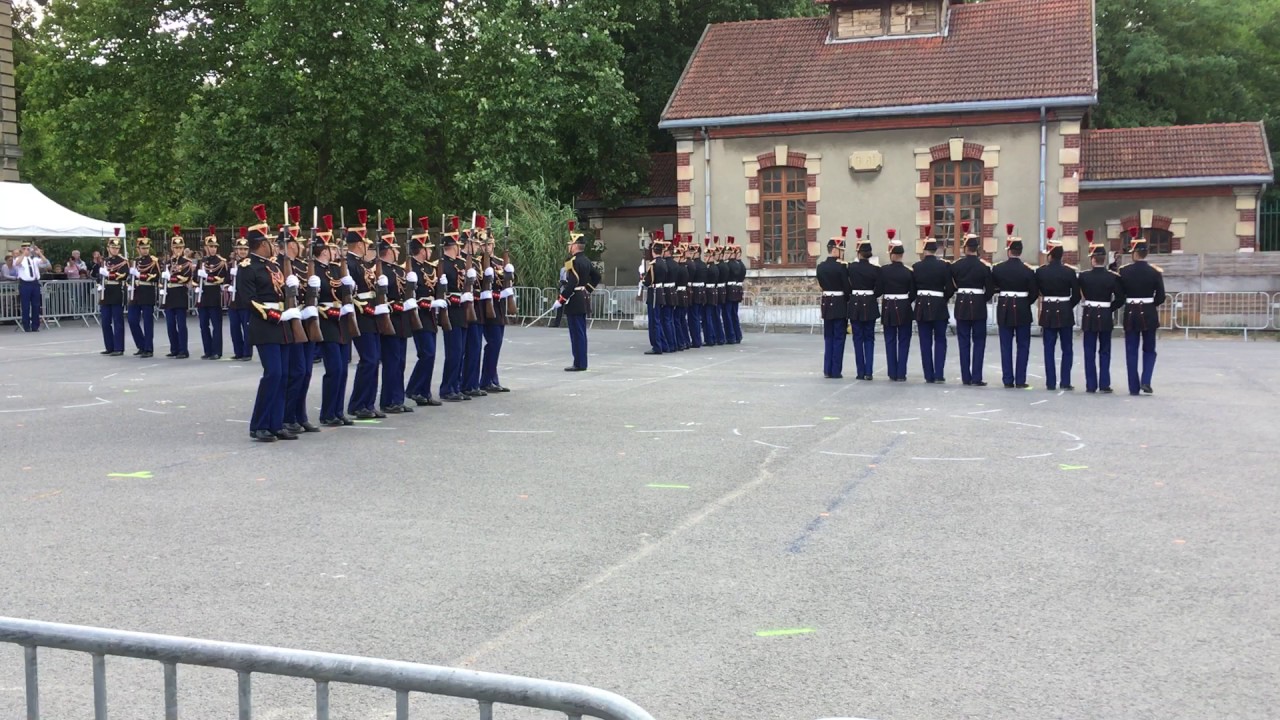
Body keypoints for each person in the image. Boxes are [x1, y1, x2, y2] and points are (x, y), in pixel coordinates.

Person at [241, 205, 294, 442]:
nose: (274, 244)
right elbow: (248, 300)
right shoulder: (247, 267)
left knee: (283, 375)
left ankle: (276, 423)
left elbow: (281, 293)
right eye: (271, 240)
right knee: (272, 374)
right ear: (262, 243)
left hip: (282, 324)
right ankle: (259, 424)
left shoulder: (273, 265)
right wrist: (273, 315)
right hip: (265, 325)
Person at [280, 211, 320, 433]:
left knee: (305, 372)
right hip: (290, 323)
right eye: (299, 242)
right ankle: (287, 416)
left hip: (307, 321)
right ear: (291, 245)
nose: (303, 245)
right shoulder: (281, 265)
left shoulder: (305, 266)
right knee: (296, 372)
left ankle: (300, 414)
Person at [344, 209, 386, 419]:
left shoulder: (360, 263)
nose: (367, 247)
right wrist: (369, 308)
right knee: (369, 359)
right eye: (366, 244)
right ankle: (358, 404)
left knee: (374, 359)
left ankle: (367, 403)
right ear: (359, 244)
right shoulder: (348, 264)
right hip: (361, 317)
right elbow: (352, 296)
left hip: (372, 315)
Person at [1118, 226, 1166, 395]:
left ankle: (1133, 386)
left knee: (1131, 350)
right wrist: (1150, 304)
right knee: (1149, 348)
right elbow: (1161, 296)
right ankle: (1146, 380)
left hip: (1131, 311)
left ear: (1134, 253)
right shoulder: (1155, 272)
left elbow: (1120, 293)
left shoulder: (1124, 271)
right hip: (1148, 311)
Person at [991, 224, 1038, 389]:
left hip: (1004, 307)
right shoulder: (1028, 270)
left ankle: (1007, 380)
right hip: (1023, 307)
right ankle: (1020, 379)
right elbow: (1034, 293)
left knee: (1006, 345)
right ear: (1020, 251)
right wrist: (1025, 302)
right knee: (1023, 345)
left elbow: (993, 287)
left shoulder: (998, 269)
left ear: (1008, 250)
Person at [1077, 230, 1124, 394]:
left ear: (1092, 259)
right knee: (1105, 350)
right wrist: (1109, 308)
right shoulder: (1112, 277)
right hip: (1104, 315)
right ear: (1104, 260)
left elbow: (1077, 294)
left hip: (1089, 313)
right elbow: (1120, 298)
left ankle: (1091, 385)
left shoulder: (1083, 276)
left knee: (1089, 351)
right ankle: (1104, 384)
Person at [406, 217, 446, 407]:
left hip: (430, 314)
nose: (430, 251)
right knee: (427, 353)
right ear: (421, 250)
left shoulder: (429, 267)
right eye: (428, 248)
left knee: (430, 354)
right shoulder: (410, 268)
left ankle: (424, 391)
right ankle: (414, 389)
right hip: (419, 315)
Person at [1035, 227, 1081, 391]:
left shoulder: (1041, 272)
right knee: (1067, 348)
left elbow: (1036, 291)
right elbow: (1076, 295)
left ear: (1050, 254)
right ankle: (1065, 381)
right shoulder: (1069, 272)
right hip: (1064, 310)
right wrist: (1067, 306)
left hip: (1048, 310)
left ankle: (1050, 382)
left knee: (1049, 348)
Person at [376, 218, 413, 414]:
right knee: (391, 362)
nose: (398, 252)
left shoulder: (398, 270)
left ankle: (397, 398)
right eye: (396, 249)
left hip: (401, 320)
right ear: (389, 250)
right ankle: (388, 400)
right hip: (389, 319)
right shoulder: (379, 270)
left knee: (400, 362)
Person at [950, 223, 993, 386]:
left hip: (962, 303)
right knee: (979, 341)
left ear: (965, 247)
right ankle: (977, 377)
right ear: (977, 248)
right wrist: (981, 300)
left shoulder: (956, 266)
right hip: (978, 304)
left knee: (963, 341)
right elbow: (989, 290)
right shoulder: (984, 267)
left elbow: (952, 284)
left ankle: (965, 377)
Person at [557, 220, 600, 371]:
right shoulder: (587, 260)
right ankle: (581, 362)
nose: (569, 246)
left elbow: (572, 282)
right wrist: (587, 289)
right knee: (581, 332)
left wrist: (562, 298)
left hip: (574, 299)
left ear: (575, 246)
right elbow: (597, 277)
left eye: (570, 244)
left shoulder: (572, 262)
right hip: (583, 297)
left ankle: (579, 363)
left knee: (576, 333)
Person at [912, 225, 952, 383]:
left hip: (922, 304)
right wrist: (943, 299)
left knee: (925, 341)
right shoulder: (944, 266)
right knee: (941, 340)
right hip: (939, 304)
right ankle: (939, 374)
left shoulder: (916, 267)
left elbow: (913, 289)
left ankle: (928, 375)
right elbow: (949, 288)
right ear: (935, 250)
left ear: (924, 250)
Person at [439, 216, 471, 401]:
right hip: (451, 312)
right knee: (454, 352)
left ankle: (456, 385)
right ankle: (447, 387)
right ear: (453, 245)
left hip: (462, 311)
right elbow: (442, 292)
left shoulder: (459, 263)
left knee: (460, 352)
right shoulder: (442, 265)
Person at [480, 225, 513, 393]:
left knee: (497, 343)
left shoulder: (500, 262)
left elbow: (507, 282)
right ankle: (486, 380)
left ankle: (492, 378)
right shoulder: (479, 263)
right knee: (494, 342)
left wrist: (510, 276)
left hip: (499, 305)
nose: (487, 247)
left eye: (490, 244)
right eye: (484, 245)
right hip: (487, 305)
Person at [879, 231, 914, 382]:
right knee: (904, 340)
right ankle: (901, 373)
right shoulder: (909, 272)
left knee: (890, 340)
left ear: (892, 254)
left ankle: (892, 372)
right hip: (904, 305)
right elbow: (913, 292)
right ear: (902, 254)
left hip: (888, 306)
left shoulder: (883, 271)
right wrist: (906, 301)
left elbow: (879, 290)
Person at [846, 228, 880, 381]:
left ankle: (860, 371)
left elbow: (847, 285)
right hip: (870, 303)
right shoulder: (876, 270)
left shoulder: (851, 267)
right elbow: (879, 289)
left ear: (858, 253)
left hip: (855, 303)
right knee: (869, 338)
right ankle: (869, 371)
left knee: (857, 338)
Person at [817, 227, 850, 379]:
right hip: (839, 302)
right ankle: (836, 370)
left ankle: (827, 369)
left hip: (826, 302)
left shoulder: (821, 267)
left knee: (828, 337)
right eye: (841, 250)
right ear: (836, 250)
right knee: (839, 338)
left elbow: (822, 284)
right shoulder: (841, 267)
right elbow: (846, 287)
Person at [162, 227, 193, 359]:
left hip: (180, 293)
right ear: (172, 248)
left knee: (181, 324)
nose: (178, 250)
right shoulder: (168, 263)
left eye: (180, 247)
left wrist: (171, 277)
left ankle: (183, 349)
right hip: (169, 294)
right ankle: (174, 348)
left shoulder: (186, 263)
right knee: (170, 324)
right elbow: (163, 279)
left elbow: (185, 277)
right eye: (176, 247)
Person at [126, 229, 159, 356]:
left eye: (146, 248)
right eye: (142, 248)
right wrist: (130, 282)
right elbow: (130, 278)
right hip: (135, 293)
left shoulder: (153, 261)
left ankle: (149, 348)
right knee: (132, 320)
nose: (145, 250)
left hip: (147, 292)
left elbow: (156, 277)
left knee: (147, 322)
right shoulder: (134, 261)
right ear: (138, 249)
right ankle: (141, 344)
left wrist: (140, 275)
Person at [196, 227, 227, 360]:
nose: (213, 249)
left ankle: (216, 351)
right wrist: (196, 283)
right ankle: (207, 350)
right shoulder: (201, 262)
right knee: (203, 325)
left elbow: (224, 279)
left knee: (216, 325)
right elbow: (194, 279)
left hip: (214, 294)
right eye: (210, 246)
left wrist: (207, 277)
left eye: (215, 246)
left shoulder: (221, 262)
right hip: (203, 295)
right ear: (205, 247)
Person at [96, 233, 128, 355]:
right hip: (105, 292)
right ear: (108, 248)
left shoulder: (123, 261)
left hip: (116, 291)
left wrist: (108, 274)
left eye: (117, 248)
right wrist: (99, 281)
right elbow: (99, 276)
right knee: (105, 321)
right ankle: (109, 346)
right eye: (113, 247)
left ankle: (119, 347)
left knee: (117, 321)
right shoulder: (105, 261)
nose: (115, 250)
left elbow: (124, 275)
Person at [228, 230, 253, 361]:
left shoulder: (250, 264)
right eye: (240, 249)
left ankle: (247, 352)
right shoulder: (232, 263)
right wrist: (228, 285)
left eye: (245, 249)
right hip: (233, 301)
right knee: (234, 328)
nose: (242, 251)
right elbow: (226, 280)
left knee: (247, 327)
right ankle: (238, 352)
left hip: (245, 301)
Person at [642, 231, 669, 354]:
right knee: (658, 320)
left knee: (654, 322)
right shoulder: (663, 263)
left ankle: (657, 346)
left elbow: (648, 282)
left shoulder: (653, 264)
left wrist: (643, 279)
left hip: (654, 294)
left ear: (653, 252)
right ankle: (663, 344)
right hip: (661, 292)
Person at [15, 242, 47, 331]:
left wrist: (39, 253)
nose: (27, 250)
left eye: (28, 248)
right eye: (25, 248)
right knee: (25, 306)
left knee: (36, 305)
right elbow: (17, 264)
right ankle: (26, 326)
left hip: (34, 283)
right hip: (25, 284)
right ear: (21, 249)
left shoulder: (34, 259)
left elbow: (45, 262)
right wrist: (23, 255)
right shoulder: (19, 258)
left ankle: (35, 326)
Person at [725, 238, 745, 343]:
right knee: (734, 314)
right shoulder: (741, 265)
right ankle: (737, 335)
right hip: (737, 289)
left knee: (728, 314)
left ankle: (731, 335)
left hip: (730, 289)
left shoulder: (729, 265)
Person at [686, 239, 705, 349]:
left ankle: (696, 340)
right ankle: (697, 340)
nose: (691, 255)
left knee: (693, 318)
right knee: (696, 317)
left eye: (692, 253)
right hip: (701, 290)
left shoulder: (694, 265)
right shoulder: (703, 265)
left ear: (697, 253)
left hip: (694, 291)